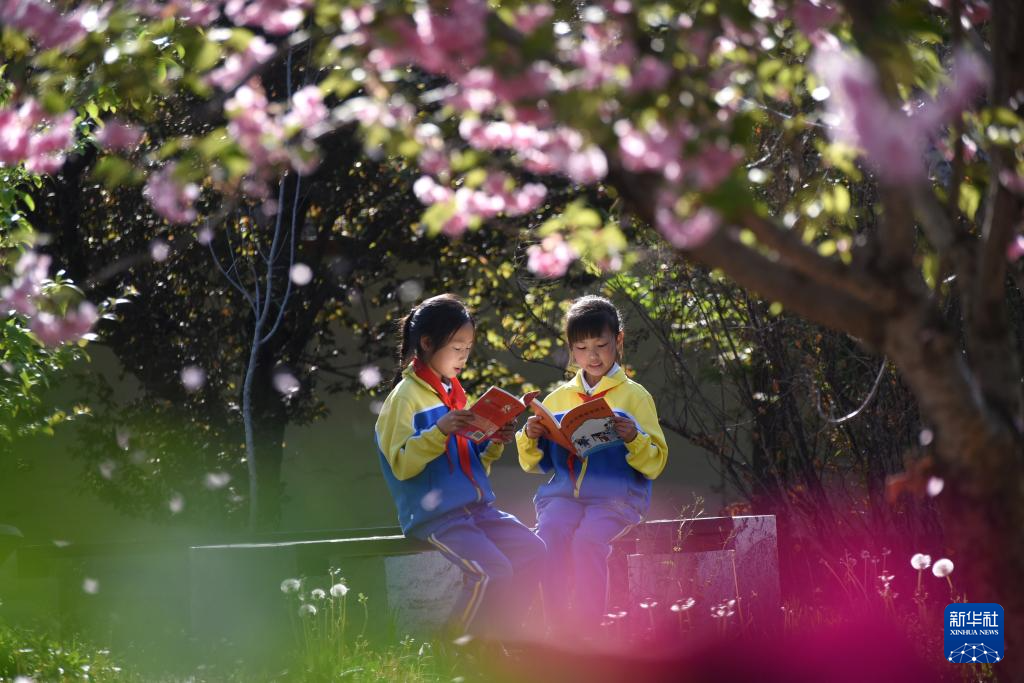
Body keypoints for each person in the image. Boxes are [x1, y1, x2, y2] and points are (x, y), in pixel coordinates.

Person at [375, 293, 545, 640]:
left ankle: (501, 639)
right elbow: (402, 465)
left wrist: (494, 439)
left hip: (476, 508)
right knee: (490, 572)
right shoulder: (404, 398)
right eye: (456, 347)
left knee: (534, 552)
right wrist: (439, 431)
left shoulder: (454, 393)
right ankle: (455, 648)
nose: (464, 356)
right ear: (427, 343)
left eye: (468, 348)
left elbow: (467, 461)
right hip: (437, 516)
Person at [516, 295, 668, 635]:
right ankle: (558, 629)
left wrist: (634, 438)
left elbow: (655, 463)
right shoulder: (558, 399)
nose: (593, 356)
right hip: (563, 497)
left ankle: (588, 630)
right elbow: (534, 465)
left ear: (618, 340)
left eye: (601, 345)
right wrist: (530, 435)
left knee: (587, 541)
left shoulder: (635, 397)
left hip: (617, 499)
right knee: (549, 535)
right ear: (572, 350)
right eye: (582, 348)